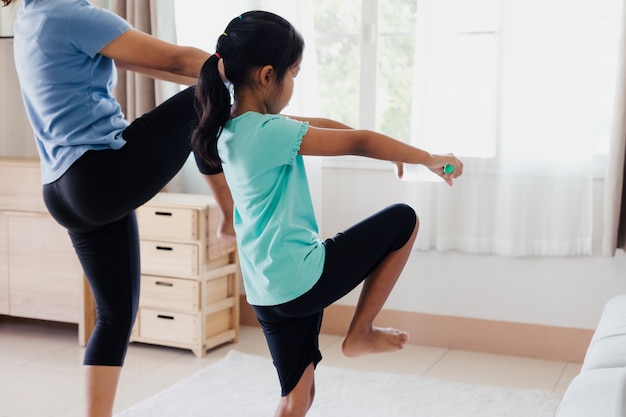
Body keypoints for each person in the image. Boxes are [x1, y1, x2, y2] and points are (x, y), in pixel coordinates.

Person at [192, 10, 463, 417]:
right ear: (268, 76)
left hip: (267, 291)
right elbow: (357, 142)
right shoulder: (270, 133)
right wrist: (426, 158)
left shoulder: (230, 130)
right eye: (294, 74)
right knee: (404, 220)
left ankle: (359, 335)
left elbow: (324, 127)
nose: (294, 85)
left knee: (296, 399)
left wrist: (387, 152)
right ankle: (361, 333)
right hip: (302, 278)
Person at [4, 0, 235, 416]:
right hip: (98, 176)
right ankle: (229, 214)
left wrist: (213, 75)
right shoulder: (70, 14)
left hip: (62, 188)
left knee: (114, 316)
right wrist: (239, 70)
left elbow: (160, 65)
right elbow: (180, 59)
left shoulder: (31, 18)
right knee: (203, 99)